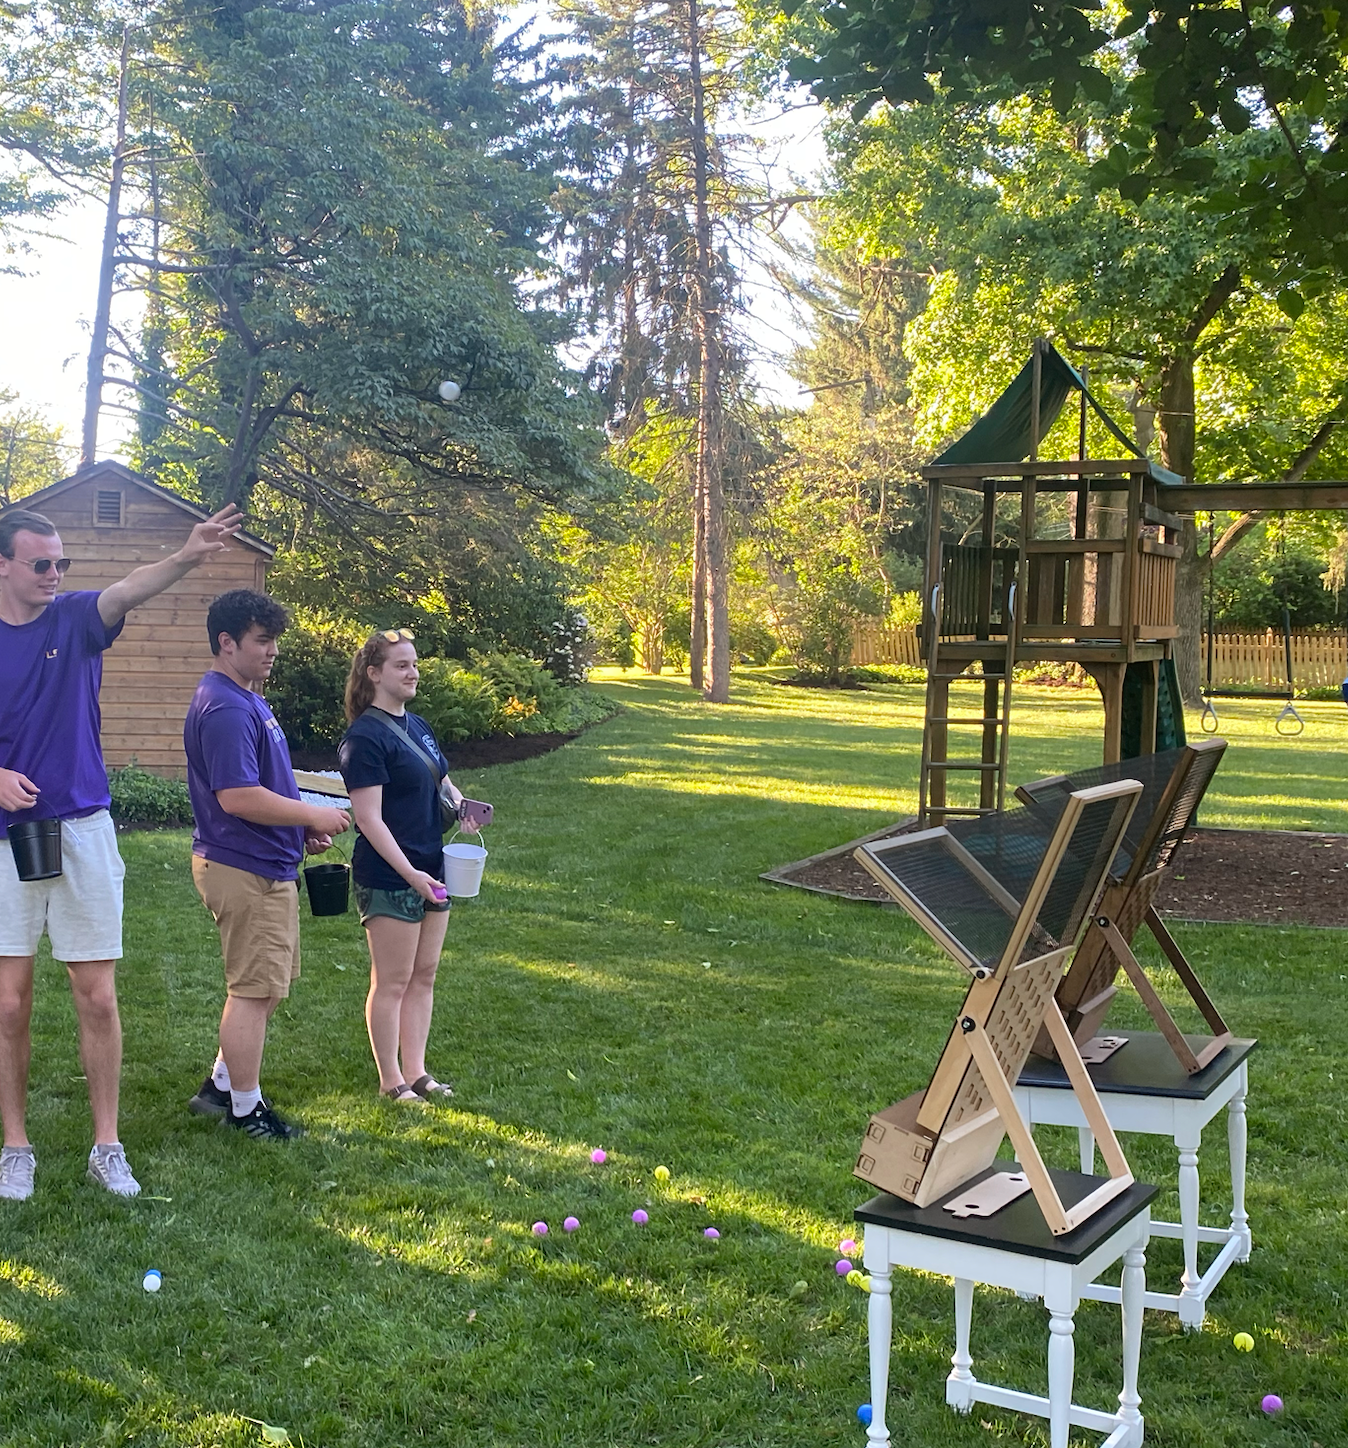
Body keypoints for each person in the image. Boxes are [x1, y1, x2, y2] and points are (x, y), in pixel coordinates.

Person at [0, 502, 243, 1202]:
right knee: (10, 1003)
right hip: (7, 837)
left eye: (62, 563)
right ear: (5, 566)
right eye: (41, 563)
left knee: (96, 995)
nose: (55, 574)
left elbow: (129, 587)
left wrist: (189, 554)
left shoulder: (74, 619)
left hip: (81, 826)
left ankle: (108, 1146)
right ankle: (15, 1147)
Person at [183, 589, 350, 1140]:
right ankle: (245, 1109)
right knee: (254, 991)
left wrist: (299, 828)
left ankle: (220, 1086)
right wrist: (313, 813)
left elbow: (259, 789)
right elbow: (237, 796)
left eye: (275, 639)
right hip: (243, 866)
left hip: (263, 861)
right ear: (226, 643)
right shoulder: (227, 706)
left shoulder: (245, 696)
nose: (273, 650)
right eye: (262, 640)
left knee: (267, 987)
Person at [338, 630, 485, 1104]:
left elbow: (440, 776)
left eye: (415, 664)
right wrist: (410, 876)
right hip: (389, 875)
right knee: (392, 980)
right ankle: (391, 1081)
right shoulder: (362, 738)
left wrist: (463, 806)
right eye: (401, 665)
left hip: (433, 867)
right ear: (374, 674)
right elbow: (369, 820)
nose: (413, 672)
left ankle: (417, 1072)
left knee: (425, 974)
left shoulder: (418, 724)